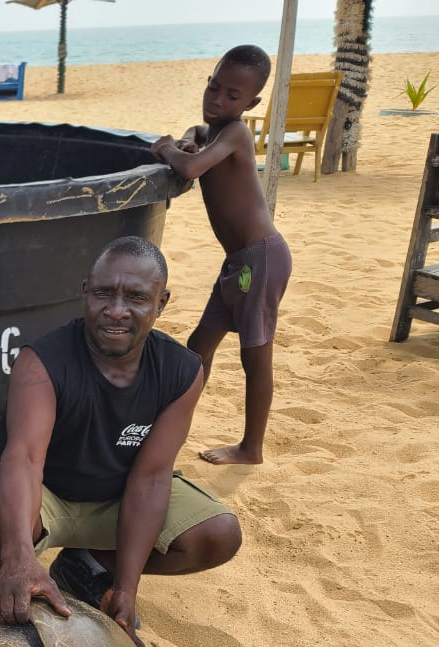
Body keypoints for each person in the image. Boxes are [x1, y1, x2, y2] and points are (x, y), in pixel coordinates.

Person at [0, 237, 242, 647]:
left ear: (162, 302)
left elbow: (152, 477)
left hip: (115, 491)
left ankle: (86, 566)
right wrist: (18, 556)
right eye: (104, 294)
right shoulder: (44, 360)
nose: (116, 310)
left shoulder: (181, 371)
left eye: (136, 297)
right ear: (84, 293)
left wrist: (127, 590)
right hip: (42, 488)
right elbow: (24, 458)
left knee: (217, 534)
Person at [150, 44, 293, 466]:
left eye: (232, 95)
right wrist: (190, 137)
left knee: (255, 354)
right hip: (239, 263)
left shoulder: (236, 134)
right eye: (213, 87)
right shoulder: (210, 131)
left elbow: (190, 168)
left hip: (260, 260)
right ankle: (173, 427)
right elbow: (195, 137)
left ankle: (251, 448)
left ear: (251, 103)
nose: (217, 99)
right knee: (198, 346)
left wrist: (167, 149)